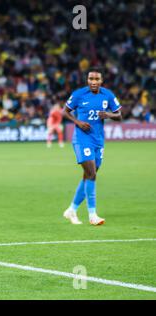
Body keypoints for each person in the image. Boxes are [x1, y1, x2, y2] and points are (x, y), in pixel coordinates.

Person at [62, 67, 122, 225]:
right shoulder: (79, 94)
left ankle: (71, 210)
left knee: (89, 175)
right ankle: (92, 215)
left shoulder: (107, 95)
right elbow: (65, 111)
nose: (93, 82)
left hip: (98, 140)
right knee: (92, 174)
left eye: (96, 79)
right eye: (91, 79)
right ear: (87, 80)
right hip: (82, 139)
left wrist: (109, 114)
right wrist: (78, 122)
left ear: (101, 81)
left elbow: (119, 115)